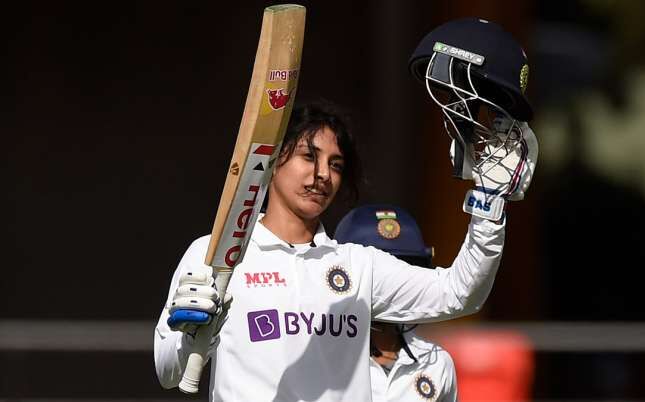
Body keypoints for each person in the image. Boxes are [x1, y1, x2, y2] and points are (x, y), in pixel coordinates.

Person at [154, 17, 538, 402]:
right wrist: (192, 338)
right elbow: (169, 373)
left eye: (335, 164)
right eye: (308, 156)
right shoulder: (215, 253)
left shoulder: (358, 266)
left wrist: (489, 203)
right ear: (272, 161)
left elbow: (460, 293)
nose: (322, 174)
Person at [334, 204, 458, 402]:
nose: (392, 289)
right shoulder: (320, 354)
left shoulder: (437, 362)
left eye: (403, 276)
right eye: (379, 277)